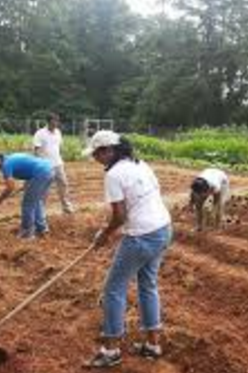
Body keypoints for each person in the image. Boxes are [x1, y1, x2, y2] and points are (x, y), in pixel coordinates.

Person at [83, 130, 172, 369]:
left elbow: (120, 215)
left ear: (108, 150)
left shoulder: (113, 174)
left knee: (113, 290)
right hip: (163, 229)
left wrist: (105, 234)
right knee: (148, 285)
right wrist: (113, 230)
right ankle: (153, 345)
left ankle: (111, 350)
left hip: (141, 236)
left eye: (96, 153)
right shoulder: (139, 163)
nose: (95, 158)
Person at [0, 152, 54, 240]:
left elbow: (10, 188)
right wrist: (28, 183)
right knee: (36, 201)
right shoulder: (10, 158)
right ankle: (42, 229)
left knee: (28, 204)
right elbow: (30, 165)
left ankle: (27, 233)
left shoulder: (6, 165)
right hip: (49, 170)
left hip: (40, 173)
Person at [33, 113, 74, 214]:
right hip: (46, 166)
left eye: (57, 121)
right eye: (54, 121)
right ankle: (41, 210)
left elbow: (58, 147)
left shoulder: (58, 132)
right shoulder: (40, 133)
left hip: (58, 164)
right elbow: (36, 150)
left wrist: (61, 158)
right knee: (45, 188)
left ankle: (66, 207)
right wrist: (40, 164)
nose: (56, 123)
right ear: (48, 121)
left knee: (63, 184)